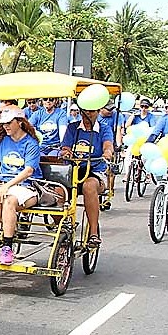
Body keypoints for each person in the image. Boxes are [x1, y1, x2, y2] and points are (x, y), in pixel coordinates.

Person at [0, 106, 42, 265]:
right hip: (4, 184)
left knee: (9, 201)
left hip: (27, 186)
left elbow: (28, 171)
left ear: (20, 122)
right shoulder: (3, 141)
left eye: (9, 122)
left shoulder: (31, 143)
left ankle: (7, 247)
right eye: (3, 123)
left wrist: (7, 186)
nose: (5, 126)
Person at [59, 101, 114, 248]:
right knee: (56, 191)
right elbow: (65, 147)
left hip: (95, 170)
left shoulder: (104, 128)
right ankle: (62, 229)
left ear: (97, 112)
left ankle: (94, 233)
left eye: (91, 111)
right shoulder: (73, 128)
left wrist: (107, 152)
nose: (87, 114)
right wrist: (66, 152)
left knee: (89, 187)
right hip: (73, 171)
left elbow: (108, 145)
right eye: (84, 111)